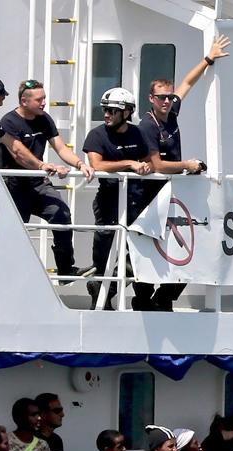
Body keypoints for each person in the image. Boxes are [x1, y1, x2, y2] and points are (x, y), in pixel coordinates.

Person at [131, 35, 231, 311]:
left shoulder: (172, 111)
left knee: (189, 246)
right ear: (151, 99)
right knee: (149, 247)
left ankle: (164, 298)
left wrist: (208, 58)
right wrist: (188, 165)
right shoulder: (147, 126)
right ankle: (141, 298)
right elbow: (158, 165)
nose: (166, 101)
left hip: (171, 194)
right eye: (160, 97)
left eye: (168, 97)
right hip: (149, 196)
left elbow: (187, 83)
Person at [0, 80, 94, 277]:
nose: (43, 103)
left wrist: (80, 164)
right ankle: (8, 273)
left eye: (44, 99)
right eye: (39, 100)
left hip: (38, 184)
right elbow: (18, 153)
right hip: (13, 186)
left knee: (62, 216)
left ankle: (66, 270)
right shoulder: (8, 121)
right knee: (15, 231)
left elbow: (60, 147)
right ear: (24, 101)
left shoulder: (44, 119)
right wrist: (42, 165)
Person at [82, 87, 155, 309]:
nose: (106, 114)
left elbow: (150, 161)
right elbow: (97, 164)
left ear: (126, 112)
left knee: (142, 249)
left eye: (112, 111)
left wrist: (144, 167)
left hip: (137, 200)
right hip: (109, 200)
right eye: (105, 109)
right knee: (104, 250)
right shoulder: (97, 135)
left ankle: (125, 294)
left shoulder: (137, 133)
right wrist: (129, 164)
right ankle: (101, 298)